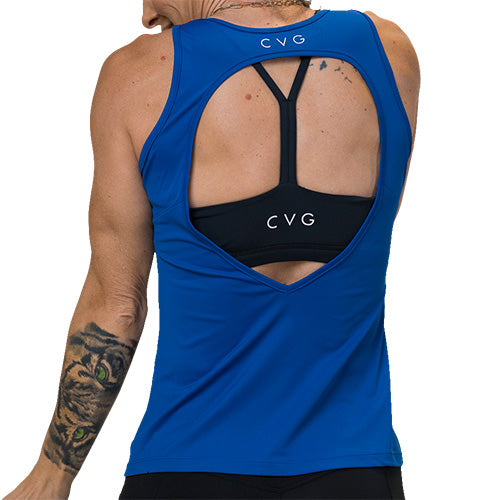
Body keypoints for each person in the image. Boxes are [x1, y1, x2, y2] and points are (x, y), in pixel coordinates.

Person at [3, 0, 420, 499]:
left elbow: (119, 305)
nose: (147, 14)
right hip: (355, 471)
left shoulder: (138, 76)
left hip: (186, 466)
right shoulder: (388, 51)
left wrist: (52, 476)